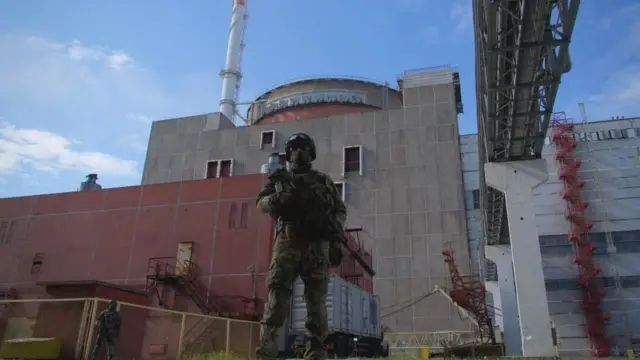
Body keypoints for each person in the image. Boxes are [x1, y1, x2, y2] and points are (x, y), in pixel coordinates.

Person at [255, 133, 347, 360]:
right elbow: (261, 203)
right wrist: (279, 199)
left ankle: (316, 348)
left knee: (316, 301)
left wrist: (335, 230)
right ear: (287, 153)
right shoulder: (281, 179)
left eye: (303, 148)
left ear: (311, 153)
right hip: (288, 242)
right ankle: (267, 347)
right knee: (277, 295)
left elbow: (340, 210)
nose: (298, 153)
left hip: (316, 246)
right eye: (294, 148)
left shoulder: (323, 182)